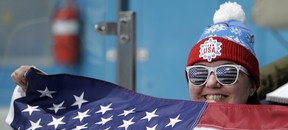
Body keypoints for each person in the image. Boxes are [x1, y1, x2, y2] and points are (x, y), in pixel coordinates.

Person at [11, 2, 259, 105]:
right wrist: (46, 90)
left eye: (228, 73)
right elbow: (100, 123)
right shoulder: (173, 126)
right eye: (198, 74)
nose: (211, 83)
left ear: (253, 86)